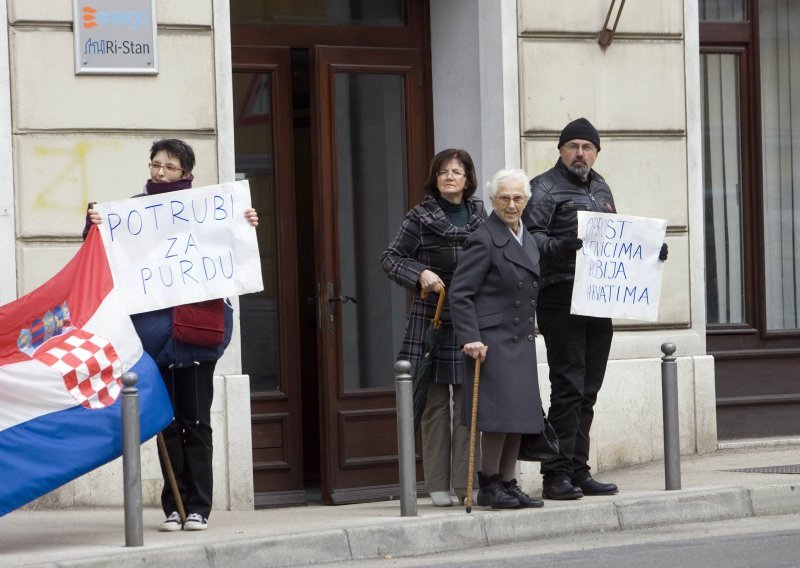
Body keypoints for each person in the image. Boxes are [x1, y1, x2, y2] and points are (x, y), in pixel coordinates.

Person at [84, 139, 259, 530]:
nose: (159, 172)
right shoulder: (132, 212)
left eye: (169, 167)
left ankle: (198, 505)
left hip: (196, 333)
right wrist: (93, 224)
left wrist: (244, 224)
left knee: (195, 420)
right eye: (155, 165)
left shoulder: (207, 209)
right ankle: (173, 505)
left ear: (185, 173)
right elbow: (102, 254)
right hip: (153, 338)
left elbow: (234, 251)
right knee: (166, 422)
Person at [522, 118, 668, 500]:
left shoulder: (601, 187)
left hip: (599, 298)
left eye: (587, 147)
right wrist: (560, 246)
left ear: (597, 152)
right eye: (573, 146)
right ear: (560, 150)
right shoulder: (543, 188)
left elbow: (618, 237)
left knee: (588, 388)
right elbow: (529, 239)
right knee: (567, 387)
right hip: (560, 297)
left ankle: (578, 469)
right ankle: (555, 476)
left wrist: (650, 252)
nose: (580, 153)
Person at [380, 149, 486, 507]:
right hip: (433, 320)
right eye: (443, 171)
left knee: (469, 404)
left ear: (468, 178)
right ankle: (437, 485)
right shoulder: (419, 217)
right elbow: (391, 258)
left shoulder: (483, 215)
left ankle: (465, 482)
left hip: (471, 320)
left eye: (457, 171)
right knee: (435, 405)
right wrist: (419, 273)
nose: (450, 177)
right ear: (435, 178)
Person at [449, 168, 544, 510]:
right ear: (492, 201)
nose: (511, 204)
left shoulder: (528, 238)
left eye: (518, 198)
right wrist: (470, 338)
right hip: (491, 342)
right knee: (497, 417)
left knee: (519, 415)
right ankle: (489, 484)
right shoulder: (484, 237)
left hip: (519, 339)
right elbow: (460, 293)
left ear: (526, 201)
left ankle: (507, 482)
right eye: (504, 198)